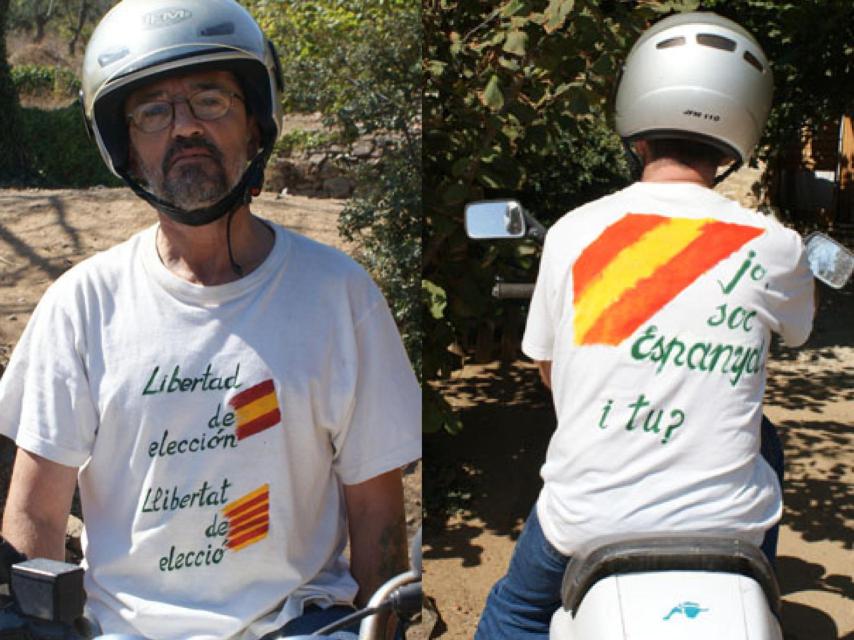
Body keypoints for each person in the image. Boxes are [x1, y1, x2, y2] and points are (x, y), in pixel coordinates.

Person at [0, 1, 420, 638]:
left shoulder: (340, 296)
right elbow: (37, 509)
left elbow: (376, 508)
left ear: (255, 122)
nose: (184, 128)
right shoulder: (82, 305)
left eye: (210, 100)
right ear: (126, 149)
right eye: (152, 112)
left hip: (299, 624)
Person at [475, 12, 815, 639]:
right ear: (744, 127)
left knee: (516, 613)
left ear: (636, 127)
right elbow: (795, 332)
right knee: (763, 439)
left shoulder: (577, 233)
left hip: (585, 520)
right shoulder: (776, 245)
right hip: (731, 525)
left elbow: (554, 376)